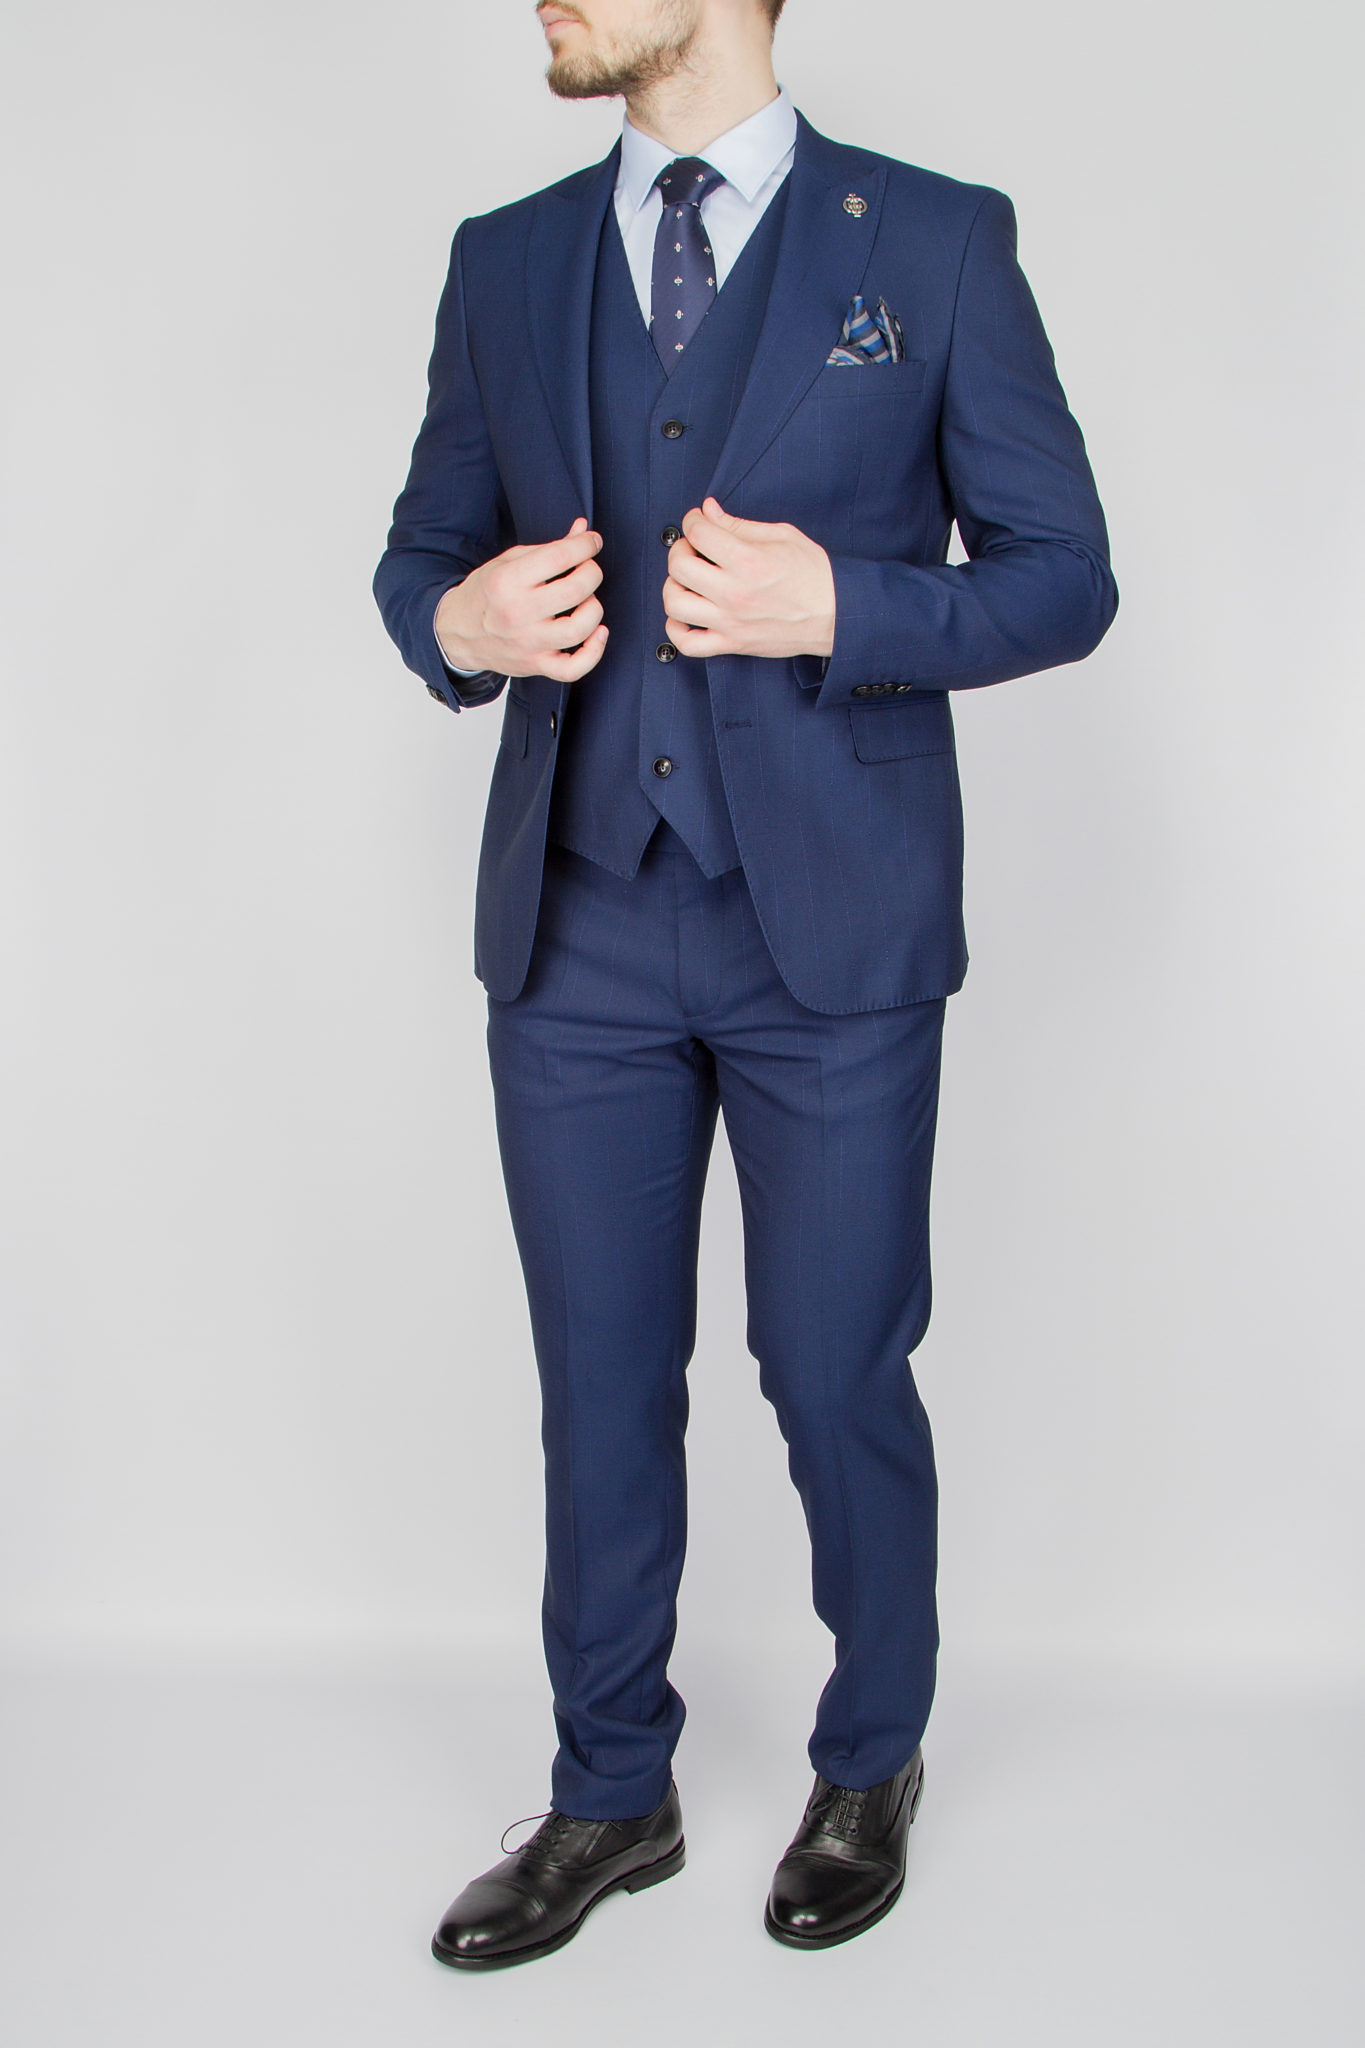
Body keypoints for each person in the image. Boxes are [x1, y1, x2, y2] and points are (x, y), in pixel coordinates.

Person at [372, 0, 1117, 1969]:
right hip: (576, 924)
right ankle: (609, 1786)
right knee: (599, 1378)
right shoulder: (505, 260)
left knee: (831, 1362)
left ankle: (869, 1755)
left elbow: (1063, 572)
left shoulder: (931, 241)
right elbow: (420, 556)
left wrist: (844, 602)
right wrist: (457, 621)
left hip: (835, 932)